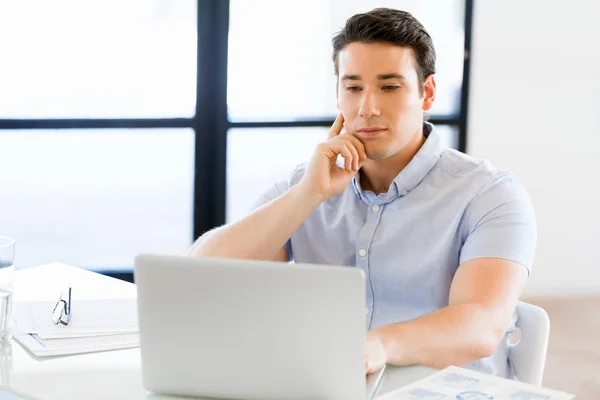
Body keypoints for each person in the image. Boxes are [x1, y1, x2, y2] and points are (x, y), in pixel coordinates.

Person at [189, 8, 536, 379]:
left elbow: (480, 326)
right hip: (330, 385)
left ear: (427, 92)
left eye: (389, 87)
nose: (367, 108)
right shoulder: (305, 185)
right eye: (353, 88)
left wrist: (379, 346)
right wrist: (309, 194)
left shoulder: (490, 195)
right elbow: (200, 274)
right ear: (338, 96)